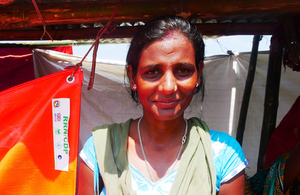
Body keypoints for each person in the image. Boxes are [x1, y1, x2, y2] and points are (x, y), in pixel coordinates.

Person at [78, 15, 247, 195]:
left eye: (183, 71)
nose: (168, 87)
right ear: (132, 76)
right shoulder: (100, 150)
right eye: (152, 72)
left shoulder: (223, 154)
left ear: (199, 73)